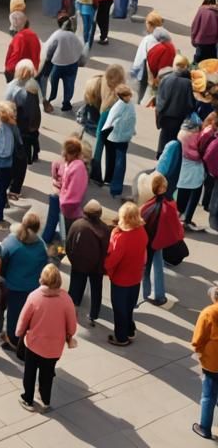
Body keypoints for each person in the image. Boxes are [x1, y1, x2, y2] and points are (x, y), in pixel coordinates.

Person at [15, 263, 78, 411]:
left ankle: (28, 399)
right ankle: (45, 400)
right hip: (54, 347)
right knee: (47, 375)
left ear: (42, 279)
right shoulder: (66, 299)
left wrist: (19, 332)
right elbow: (72, 326)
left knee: (29, 373)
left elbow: (23, 319)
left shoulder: (34, 296)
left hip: (34, 344)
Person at [0, 210, 49, 349]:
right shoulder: (41, 246)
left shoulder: (11, 242)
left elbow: (2, 265)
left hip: (13, 287)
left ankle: (13, 341)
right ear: (38, 228)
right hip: (33, 289)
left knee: (13, 316)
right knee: (28, 316)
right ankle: (24, 338)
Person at [105, 201, 148, 346]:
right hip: (135, 277)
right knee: (129, 306)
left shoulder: (122, 238)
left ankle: (121, 338)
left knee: (119, 309)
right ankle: (130, 329)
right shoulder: (142, 232)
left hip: (121, 279)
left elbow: (112, 261)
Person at [141, 173, 184, 307]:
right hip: (158, 242)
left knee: (146, 269)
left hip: (147, 242)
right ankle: (160, 296)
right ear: (162, 189)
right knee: (158, 267)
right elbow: (176, 228)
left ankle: (146, 293)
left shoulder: (147, 206)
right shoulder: (169, 207)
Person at [64, 199, 109, 325]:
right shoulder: (104, 229)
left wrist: (73, 259)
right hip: (96, 266)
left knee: (75, 285)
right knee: (96, 289)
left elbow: (68, 244)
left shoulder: (77, 225)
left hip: (78, 264)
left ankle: (72, 306)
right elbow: (106, 249)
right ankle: (94, 313)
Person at [192, 283, 218, 439]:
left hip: (212, 361)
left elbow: (198, 339)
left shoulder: (209, 312)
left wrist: (197, 351)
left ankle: (205, 427)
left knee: (208, 395)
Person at [101, 84, 137, 198]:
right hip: (120, 136)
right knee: (119, 161)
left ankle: (110, 180)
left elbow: (110, 120)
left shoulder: (120, 105)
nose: (129, 97)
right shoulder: (127, 105)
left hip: (117, 136)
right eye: (127, 95)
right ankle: (115, 185)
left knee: (113, 159)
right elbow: (130, 120)